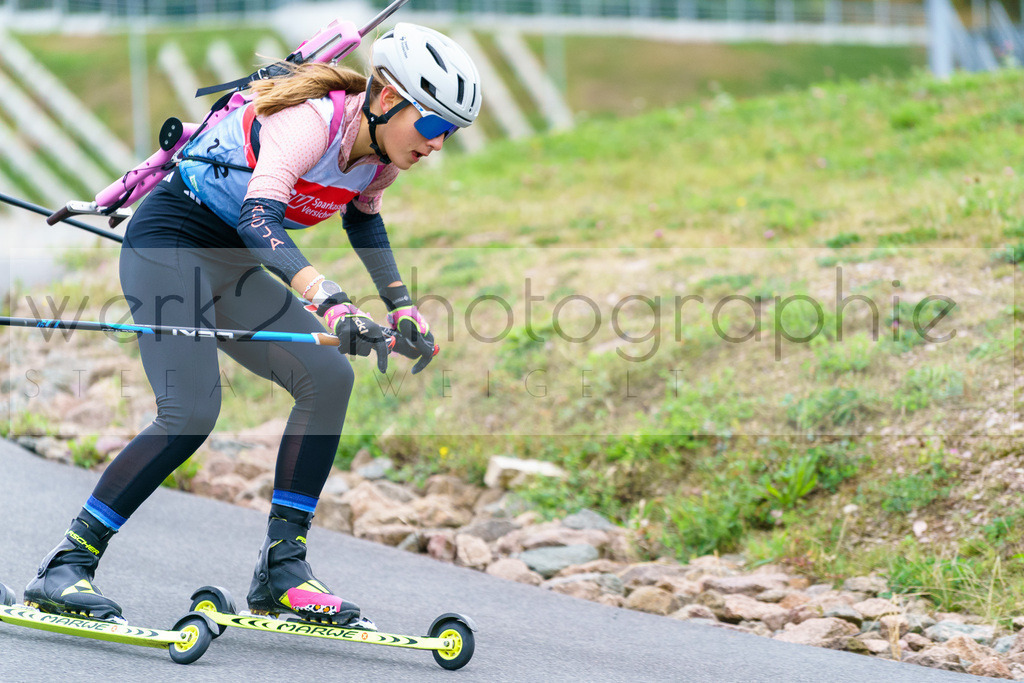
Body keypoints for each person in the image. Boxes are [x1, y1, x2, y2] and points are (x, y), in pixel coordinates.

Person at [23, 23, 482, 629]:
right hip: (170, 243)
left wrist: (402, 307)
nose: (438, 143)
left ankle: (282, 571)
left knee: (327, 378)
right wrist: (332, 302)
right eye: (431, 125)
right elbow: (258, 218)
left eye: (449, 132)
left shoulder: (382, 159)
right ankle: (65, 566)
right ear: (388, 98)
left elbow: (363, 221)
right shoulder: (308, 124)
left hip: (233, 264)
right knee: (189, 412)